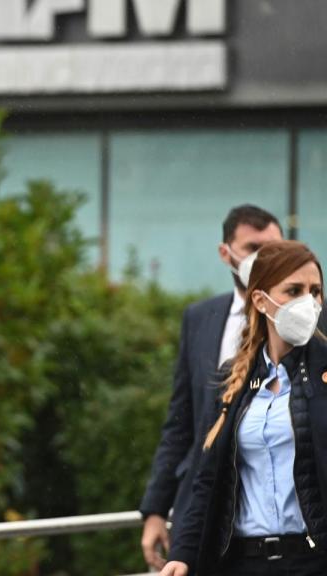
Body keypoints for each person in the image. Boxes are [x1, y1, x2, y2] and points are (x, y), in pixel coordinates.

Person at [159, 240, 326, 575]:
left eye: (315, 290)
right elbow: (206, 479)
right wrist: (183, 553)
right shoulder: (233, 379)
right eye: (293, 290)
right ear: (261, 301)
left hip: (312, 559)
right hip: (242, 561)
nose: (308, 302)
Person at [139, 205, 286, 569]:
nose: (265, 259)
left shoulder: (307, 321)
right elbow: (181, 421)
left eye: (275, 249)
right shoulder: (200, 318)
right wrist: (156, 509)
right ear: (226, 253)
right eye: (254, 248)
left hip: (281, 524)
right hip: (204, 514)